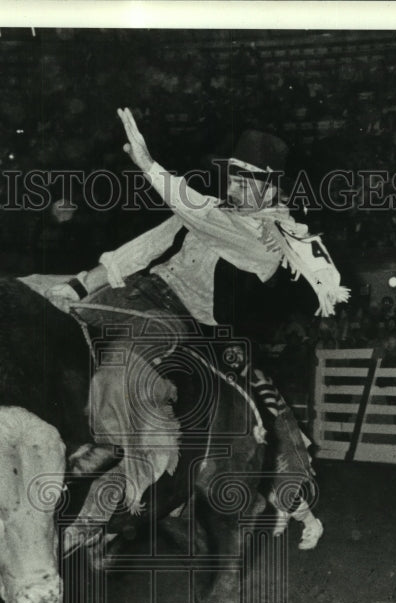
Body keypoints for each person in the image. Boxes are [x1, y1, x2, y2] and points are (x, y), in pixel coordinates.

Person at [49, 108, 349, 544]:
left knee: (260, 411)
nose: (236, 186)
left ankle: (126, 476)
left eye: (249, 180)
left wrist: (149, 166)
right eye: (234, 176)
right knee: (50, 312)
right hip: (143, 295)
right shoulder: (212, 213)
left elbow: (199, 212)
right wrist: (80, 286)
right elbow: (150, 246)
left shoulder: (268, 242)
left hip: (193, 326)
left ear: (272, 190)